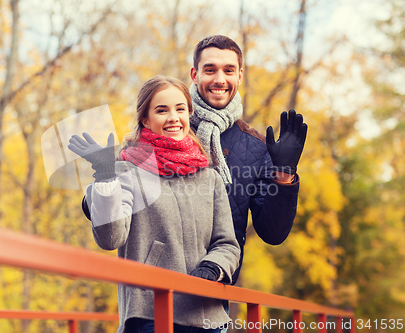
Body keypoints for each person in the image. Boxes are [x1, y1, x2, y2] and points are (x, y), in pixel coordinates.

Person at [68, 75, 241, 333]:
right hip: (151, 314)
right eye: (162, 110)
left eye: (180, 109)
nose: (173, 117)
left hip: (207, 316)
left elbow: (227, 243)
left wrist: (212, 267)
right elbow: (110, 238)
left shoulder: (210, 177)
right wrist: (105, 175)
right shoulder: (127, 171)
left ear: (188, 114)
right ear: (145, 119)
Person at [189, 35, 308, 285]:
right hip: (154, 288)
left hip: (214, 293)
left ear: (239, 76)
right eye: (209, 70)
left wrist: (284, 174)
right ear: (194, 74)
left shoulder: (255, 146)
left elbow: (272, 233)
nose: (220, 79)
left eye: (228, 70)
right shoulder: (168, 127)